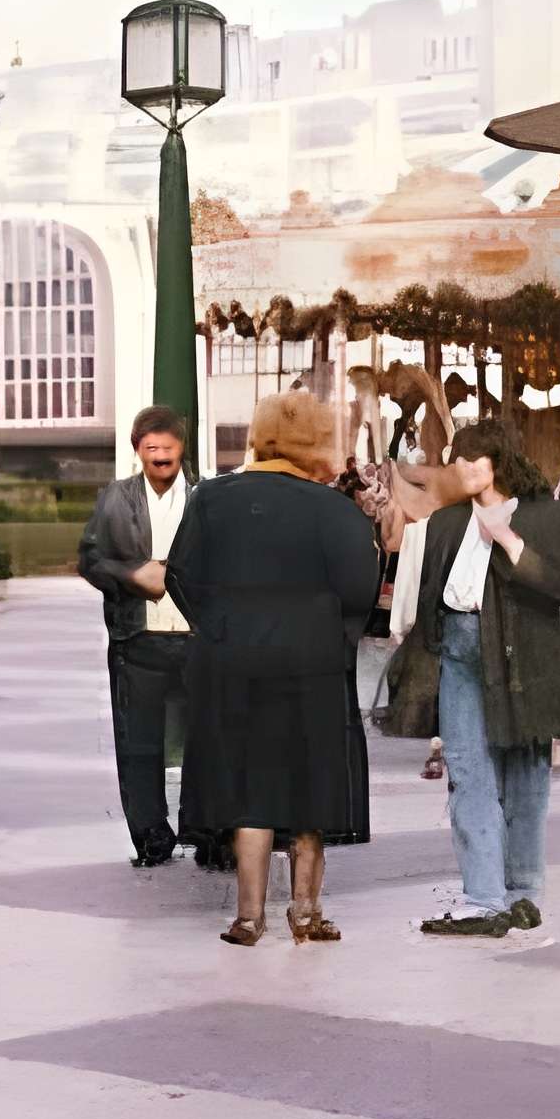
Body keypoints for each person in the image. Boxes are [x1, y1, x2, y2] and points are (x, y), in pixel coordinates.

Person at [165, 390, 380, 946]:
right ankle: (306, 913)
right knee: (311, 785)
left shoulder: (211, 498)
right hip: (312, 663)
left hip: (233, 661)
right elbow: (360, 589)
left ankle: (248, 916)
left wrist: (217, 627)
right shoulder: (335, 508)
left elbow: (180, 576)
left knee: (248, 785)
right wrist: (335, 635)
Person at [389, 419, 560, 937]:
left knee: (525, 773)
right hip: (459, 648)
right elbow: (430, 591)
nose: (467, 466)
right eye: (461, 457)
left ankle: (522, 891)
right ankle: (484, 897)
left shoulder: (549, 516)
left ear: (501, 459)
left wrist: (508, 539)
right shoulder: (448, 522)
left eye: (479, 457)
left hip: (523, 655)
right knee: (469, 770)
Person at [79, 405, 198, 868]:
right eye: (151, 449)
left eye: (167, 447)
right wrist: (134, 575)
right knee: (137, 742)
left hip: (197, 638)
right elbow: (90, 560)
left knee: (207, 740)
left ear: (181, 448)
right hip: (137, 638)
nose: (160, 456)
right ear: (137, 451)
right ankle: (150, 837)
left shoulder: (205, 496)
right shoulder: (115, 498)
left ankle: (205, 832)